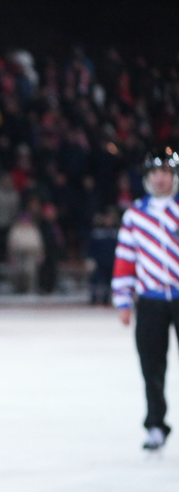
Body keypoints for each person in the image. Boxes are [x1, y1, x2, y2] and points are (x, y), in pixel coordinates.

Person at [112, 148, 179, 451]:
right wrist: (123, 299)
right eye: (155, 173)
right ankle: (155, 424)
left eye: (165, 173)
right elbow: (126, 259)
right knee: (152, 365)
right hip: (151, 300)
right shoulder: (136, 214)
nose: (160, 178)